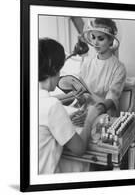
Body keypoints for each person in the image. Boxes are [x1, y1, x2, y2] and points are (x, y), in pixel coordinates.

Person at [38, 38, 101, 174]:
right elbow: (79, 149)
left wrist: (65, 113)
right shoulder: (51, 106)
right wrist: (90, 118)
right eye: (60, 69)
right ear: (54, 70)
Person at [78, 18, 127, 117]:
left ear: (111, 40)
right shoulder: (87, 63)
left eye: (101, 39)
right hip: (84, 113)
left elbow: (111, 98)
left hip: (104, 116)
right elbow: (83, 94)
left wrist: (93, 113)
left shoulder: (119, 68)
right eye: (93, 37)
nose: (95, 43)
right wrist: (80, 98)